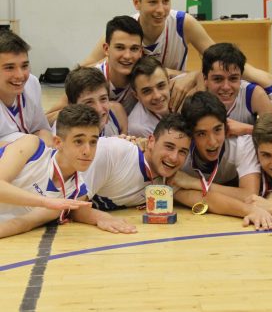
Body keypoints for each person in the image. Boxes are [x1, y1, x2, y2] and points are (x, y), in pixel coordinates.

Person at [82, 0, 272, 111]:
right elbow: (85, 67)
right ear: (136, 2)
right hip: (135, 99)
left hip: (172, 95)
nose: (160, 9)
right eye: (152, 2)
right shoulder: (126, 31)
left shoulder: (183, 22)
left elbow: (219, 60)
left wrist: (268, 80)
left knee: (214, 83)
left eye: (166, 1)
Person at [0, 104, 136, 238]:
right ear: (58, 142)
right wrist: (45, 201)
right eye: (78, 141)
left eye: (93, 142)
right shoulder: (32, 146)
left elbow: (23, 223)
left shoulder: (72, 193)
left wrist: (103, 217)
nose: (87, 151)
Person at [168, 91, 272, 230]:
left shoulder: (242, 144)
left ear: (226, 127)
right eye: (201, 134)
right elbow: (186, 195)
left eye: (217, 130)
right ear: (190, 135)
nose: (212, 142)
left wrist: (194, 183)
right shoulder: (178, 152)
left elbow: (249, 195)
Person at [83, 113, 191, 211]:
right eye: (169, 147)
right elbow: (73, 206)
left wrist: (193, 182)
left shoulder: (167, 179)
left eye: (182, 152)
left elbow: (207, 202)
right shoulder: (112, 151)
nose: (174, 158)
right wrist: (104, 220)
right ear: (151, 141)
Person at [45, 15, 144, 122]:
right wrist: (85, 109)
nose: (127, 56)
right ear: (106, 49)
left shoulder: (144, 78)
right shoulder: (87, 78)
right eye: (120, 47)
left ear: (141, 52)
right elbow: (48, 119)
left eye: (134, 49)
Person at [202, 42, 272, 136]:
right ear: (205, 79)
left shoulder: (253, 94)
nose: (226, 87)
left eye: (233, 79)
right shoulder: (195, 96)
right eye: (218, 79)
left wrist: (247, 129)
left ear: (241, 77)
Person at [0, 30, 53, 146]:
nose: (20, 75)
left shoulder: (32, 83)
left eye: (24, 66)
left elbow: (41, 131)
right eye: (9, 67)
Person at [64, 65, 127, 136]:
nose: (99, 109)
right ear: (72, 106)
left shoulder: (117, 114)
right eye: (89, 102)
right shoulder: (64, 133)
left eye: (103, 99)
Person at [128, 56, 170, 137]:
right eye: (147, 91)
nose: (157, 96)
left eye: (161, 86)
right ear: (136, 95)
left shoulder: (183, 88)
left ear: (169, 81)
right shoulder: (138, 128)